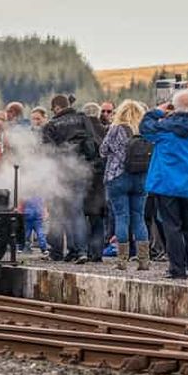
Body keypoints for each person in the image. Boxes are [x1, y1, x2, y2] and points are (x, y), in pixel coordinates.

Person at [140, 90, 188, 279]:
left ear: (174, 106)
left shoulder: (163, 129)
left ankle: (177, 269)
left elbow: (144, 128)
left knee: (172, 227)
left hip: (168, 183)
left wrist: (157, 111)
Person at [41, 94, 96, 263]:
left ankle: (62, 251)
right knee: (76, 212)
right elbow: (92, 143)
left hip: (60, 172)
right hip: (80, 170)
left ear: (57, 107)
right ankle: (79, 251)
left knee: (59, 213)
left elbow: (47, 152)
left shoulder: (51, 125)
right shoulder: (83, 119)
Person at [100, 99, 149, 270]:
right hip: (141, 177)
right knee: (139, 217)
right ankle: (143, 261)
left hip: (118, 176)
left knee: (122, 217)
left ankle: (122, 261)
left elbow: (103, 150)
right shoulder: (145, 130)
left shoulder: (116, 129)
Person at [81, 103, 107, 262]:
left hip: (86, 175)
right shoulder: (105, 130)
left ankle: (85, 250)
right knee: (98, 216)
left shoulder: (83, 131)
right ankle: (97, 252)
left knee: (85, 216)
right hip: (102, 178)